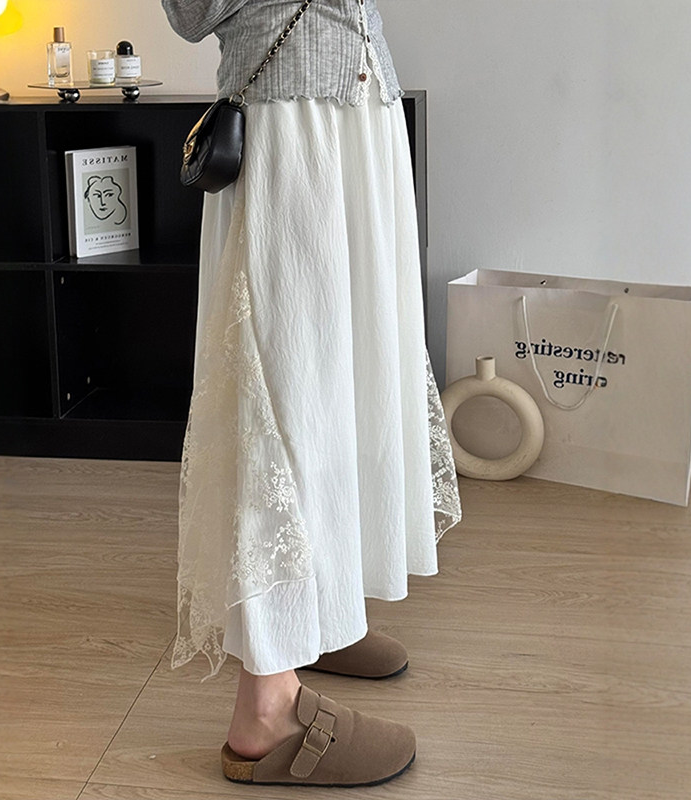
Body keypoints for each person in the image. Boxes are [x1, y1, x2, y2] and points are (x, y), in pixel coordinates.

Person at [161, 0, 461, 787]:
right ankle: (266, 709)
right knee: (287, 389)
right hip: (286, 126)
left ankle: (322, 609)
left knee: (352, 380)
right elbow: (192, 12)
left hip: (365, 112)